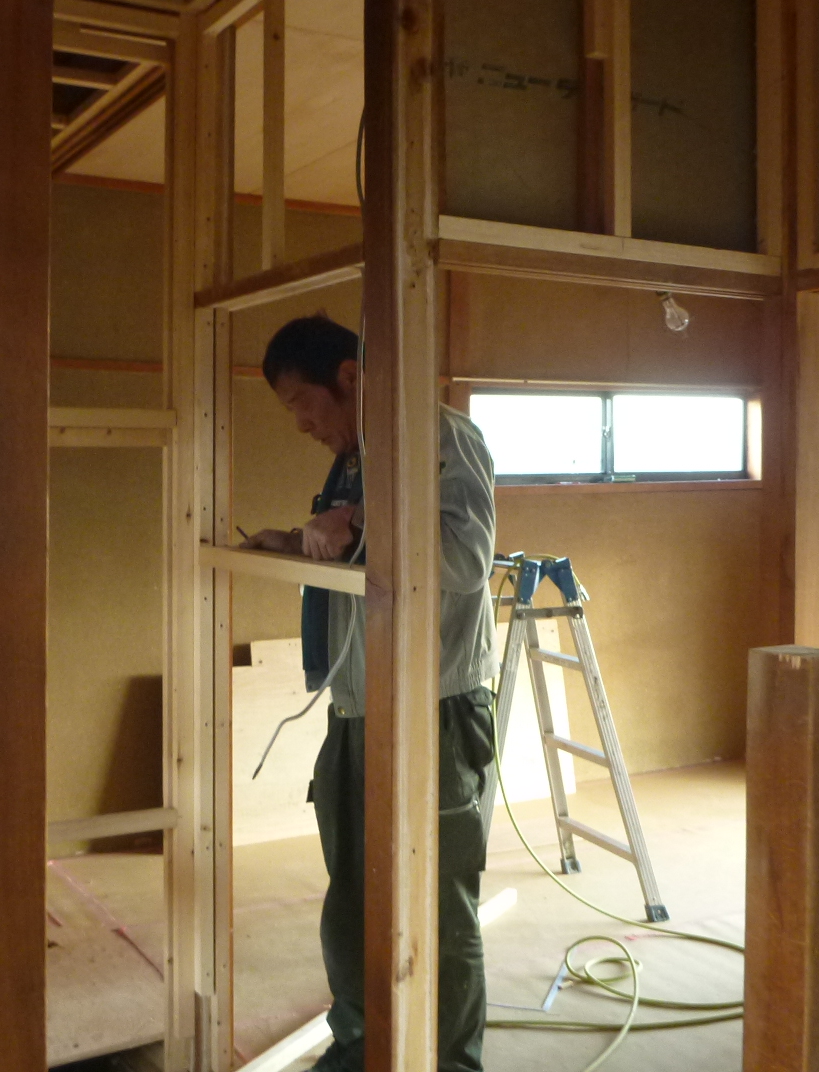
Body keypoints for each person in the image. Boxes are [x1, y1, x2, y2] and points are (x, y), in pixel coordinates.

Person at [241, 313, 498, 1072]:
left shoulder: (442, 437)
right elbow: (359, 558)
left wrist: (357, 522)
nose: (300, 424)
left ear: (348, 377)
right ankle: (361, 1049)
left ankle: (450, 1064)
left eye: (301, 402)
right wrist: (298, 540)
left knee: (438, 907)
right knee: (352, 901)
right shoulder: (352, 457)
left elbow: (465, 559)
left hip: (433, 712)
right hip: (357, 709)